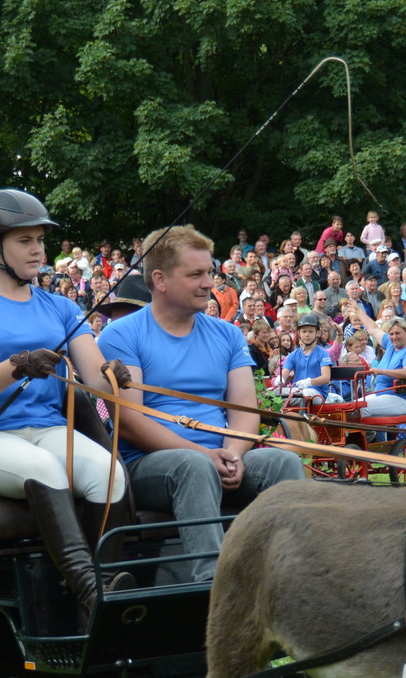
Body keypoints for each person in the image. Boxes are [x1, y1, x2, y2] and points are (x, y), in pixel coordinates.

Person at [0, 188, 131, 610]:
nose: (38, 249)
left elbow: (96, 379)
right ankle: (90, 592)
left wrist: (114, 376)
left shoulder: (61, 307)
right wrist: (18, 366)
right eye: (25, 240)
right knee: (45, 469)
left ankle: (106, 588)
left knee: (110, 473)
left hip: (48, 429)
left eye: (40, 240)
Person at [97, 223, 303, 584]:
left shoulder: (226, 333)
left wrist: (234, 454)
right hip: (150, 465)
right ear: (160, 280)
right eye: (196, 274)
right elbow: (129, 420)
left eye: (209, 271)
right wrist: (205, 456)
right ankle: (213, 583)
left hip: (222, 455)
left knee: (281, 461)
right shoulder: (121, 335)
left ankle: (292, 576)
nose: (209, 282)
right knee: (193, 467)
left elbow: (243, 409)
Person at [343, 304, 406, 417]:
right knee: (350, 407)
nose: (394, 337)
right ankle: (362, 434)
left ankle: (368, 435)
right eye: (391, 334)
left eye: (397, 333)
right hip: (383, 394)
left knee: (360, 409)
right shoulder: (391, 344)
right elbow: (373, 329)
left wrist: (382, 371)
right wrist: (358, 310)